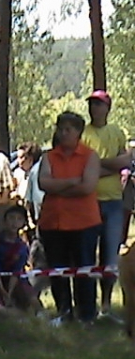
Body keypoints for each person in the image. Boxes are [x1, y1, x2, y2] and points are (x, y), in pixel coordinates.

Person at [38, 111, 101, 325]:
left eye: (68, 129)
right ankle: (63, 311)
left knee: (84, 268)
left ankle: (87, 314)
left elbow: (88, 186)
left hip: (83, 222)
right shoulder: (48, 156)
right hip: (52, 222)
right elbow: (43, 183)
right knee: (57, 269)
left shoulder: (90, 156)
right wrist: (72, 181)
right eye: (60, 129)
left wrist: (58, 187)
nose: (63, 133)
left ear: (79, 133)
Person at [81, 90, 128, 319]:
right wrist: (111, 167)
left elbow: (126, 161)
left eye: (98, 104)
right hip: (88, 202)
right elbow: (82, 168)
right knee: (87, 255)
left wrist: (98, 166)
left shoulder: (117, 132)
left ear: (107, 107)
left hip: (114, 202)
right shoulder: (82, 133)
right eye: (92, 104)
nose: (94, 108)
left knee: (110, 255)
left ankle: (106, 306)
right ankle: (87, 306)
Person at [0, 205, 45, 318]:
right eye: (11, 218)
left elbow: (16, 272)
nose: (14, 222)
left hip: (16, 282)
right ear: (4, 221)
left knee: (31, 297)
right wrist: (2, 292)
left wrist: (9, 292)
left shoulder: (22, 246)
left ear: (23, 223)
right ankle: (23, 318)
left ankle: (43, 317)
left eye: (19, 219)